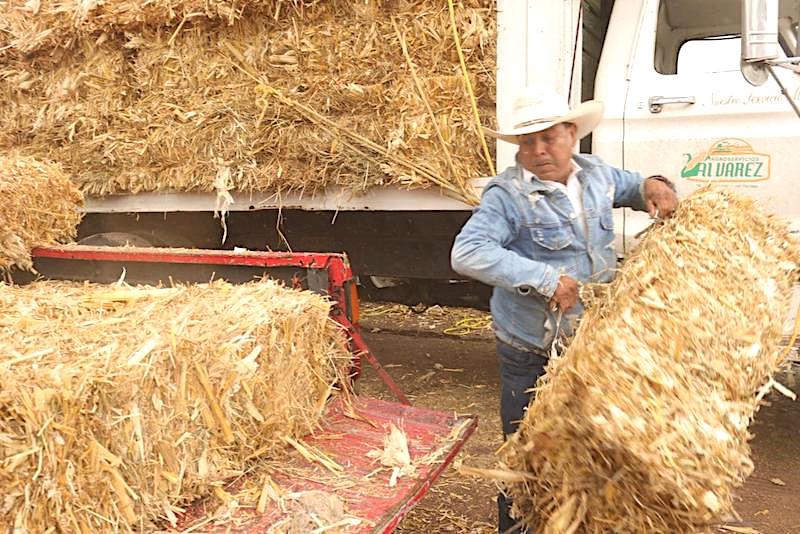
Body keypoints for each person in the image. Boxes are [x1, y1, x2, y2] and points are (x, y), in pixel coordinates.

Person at [450, 86, 679, 533]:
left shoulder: (595, 174)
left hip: (590, 345)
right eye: (527, 142)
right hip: (533, 347)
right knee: (526, 455)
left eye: (548, 138)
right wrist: (547, 279)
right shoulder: (507, 195)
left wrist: (656, 185)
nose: (537, 151)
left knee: (589, 449)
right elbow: (468, 252)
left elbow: (635, 186)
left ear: (572, 134)